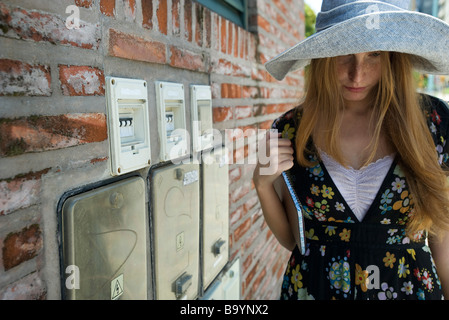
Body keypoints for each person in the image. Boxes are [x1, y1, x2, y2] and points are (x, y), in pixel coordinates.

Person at [254, 0, 449, 300]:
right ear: (322, 56)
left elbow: (442, 234)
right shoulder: (292, 130)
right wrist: (263, 185)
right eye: (344, 53)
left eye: (375, 54)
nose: (357, 74)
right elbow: (298, 241)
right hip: (314, 289)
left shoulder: (433, 123)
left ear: (394, 57)